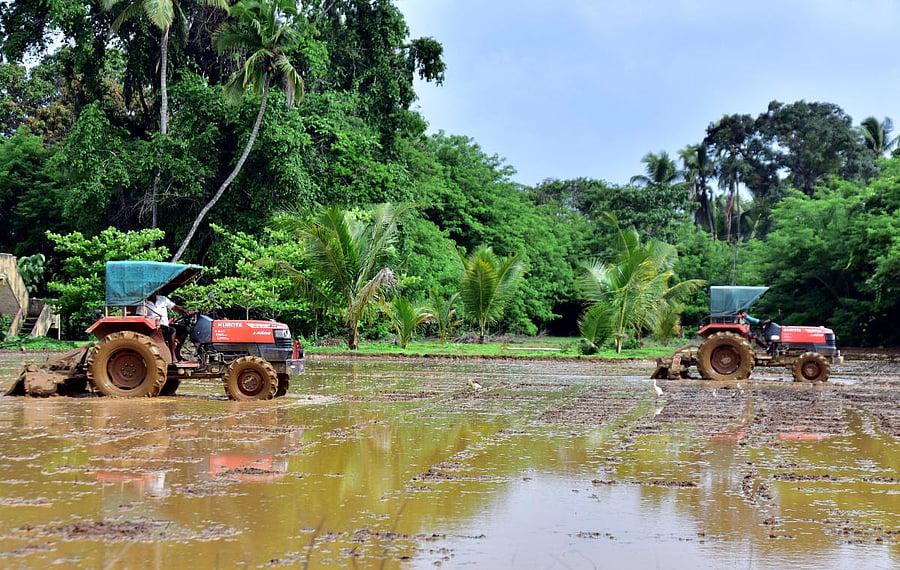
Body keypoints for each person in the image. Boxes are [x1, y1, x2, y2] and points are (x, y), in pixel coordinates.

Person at [145, 293, 190, 361]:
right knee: (172, 330)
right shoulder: (143, 303)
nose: (153, 294)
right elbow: (140, 316)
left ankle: (177, 352)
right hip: (154, 327)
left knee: (183, 330)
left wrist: (185, 311)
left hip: (165, 324)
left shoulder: (162, 299)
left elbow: (174, 307)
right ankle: (172, 355)